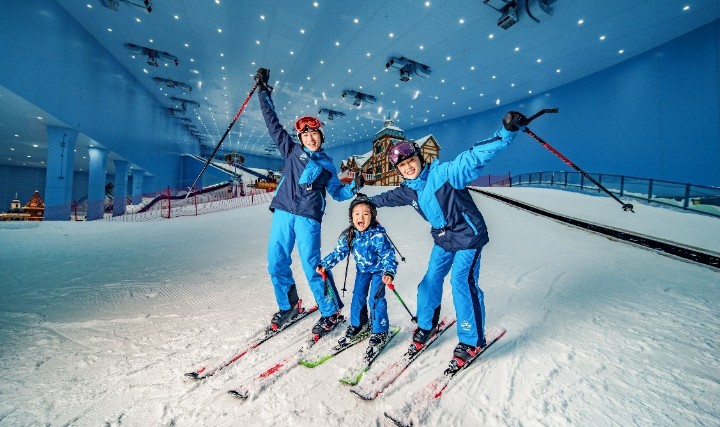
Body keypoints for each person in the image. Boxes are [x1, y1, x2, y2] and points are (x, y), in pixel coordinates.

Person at [368, 111, 526, 366]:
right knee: (429, 281)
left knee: (461, 281)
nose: (408, 166)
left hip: (468, 235)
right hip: (444, 239)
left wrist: (506, 133)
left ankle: (472, 340)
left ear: (419, 158)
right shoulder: (409, 191)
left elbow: (474, 157)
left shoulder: (445, 174)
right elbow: (385, 198)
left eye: (411, 161)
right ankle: (427, 324)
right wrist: (366, 202)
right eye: (402, 165)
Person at [254, 67, 364, 338]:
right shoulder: (291, 151)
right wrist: (263, 92)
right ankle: (289, 305)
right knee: (275, 261)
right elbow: (272, 124)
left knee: (312, 264)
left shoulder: (327, 165)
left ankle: (330, 310)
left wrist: (354, 189)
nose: (310, 138)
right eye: (305, 135)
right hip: (283, 211)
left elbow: (338, 193)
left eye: (314, 134)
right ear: (300, 139)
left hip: (307, 217)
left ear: (321, 136)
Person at [315, 195, 398, 352]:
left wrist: (389, 272)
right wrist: (325, 264)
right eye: (356, 214)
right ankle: (359, 324)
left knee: (376, 298)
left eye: (365, 214)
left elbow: (388, 255)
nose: (361, 217)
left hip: (379, 272)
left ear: (372, 216)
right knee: (358, 296)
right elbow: (338, 252)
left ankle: (380, 330)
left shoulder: (378, 235)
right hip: (363, 272)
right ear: (351, 217)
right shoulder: (349, 235)